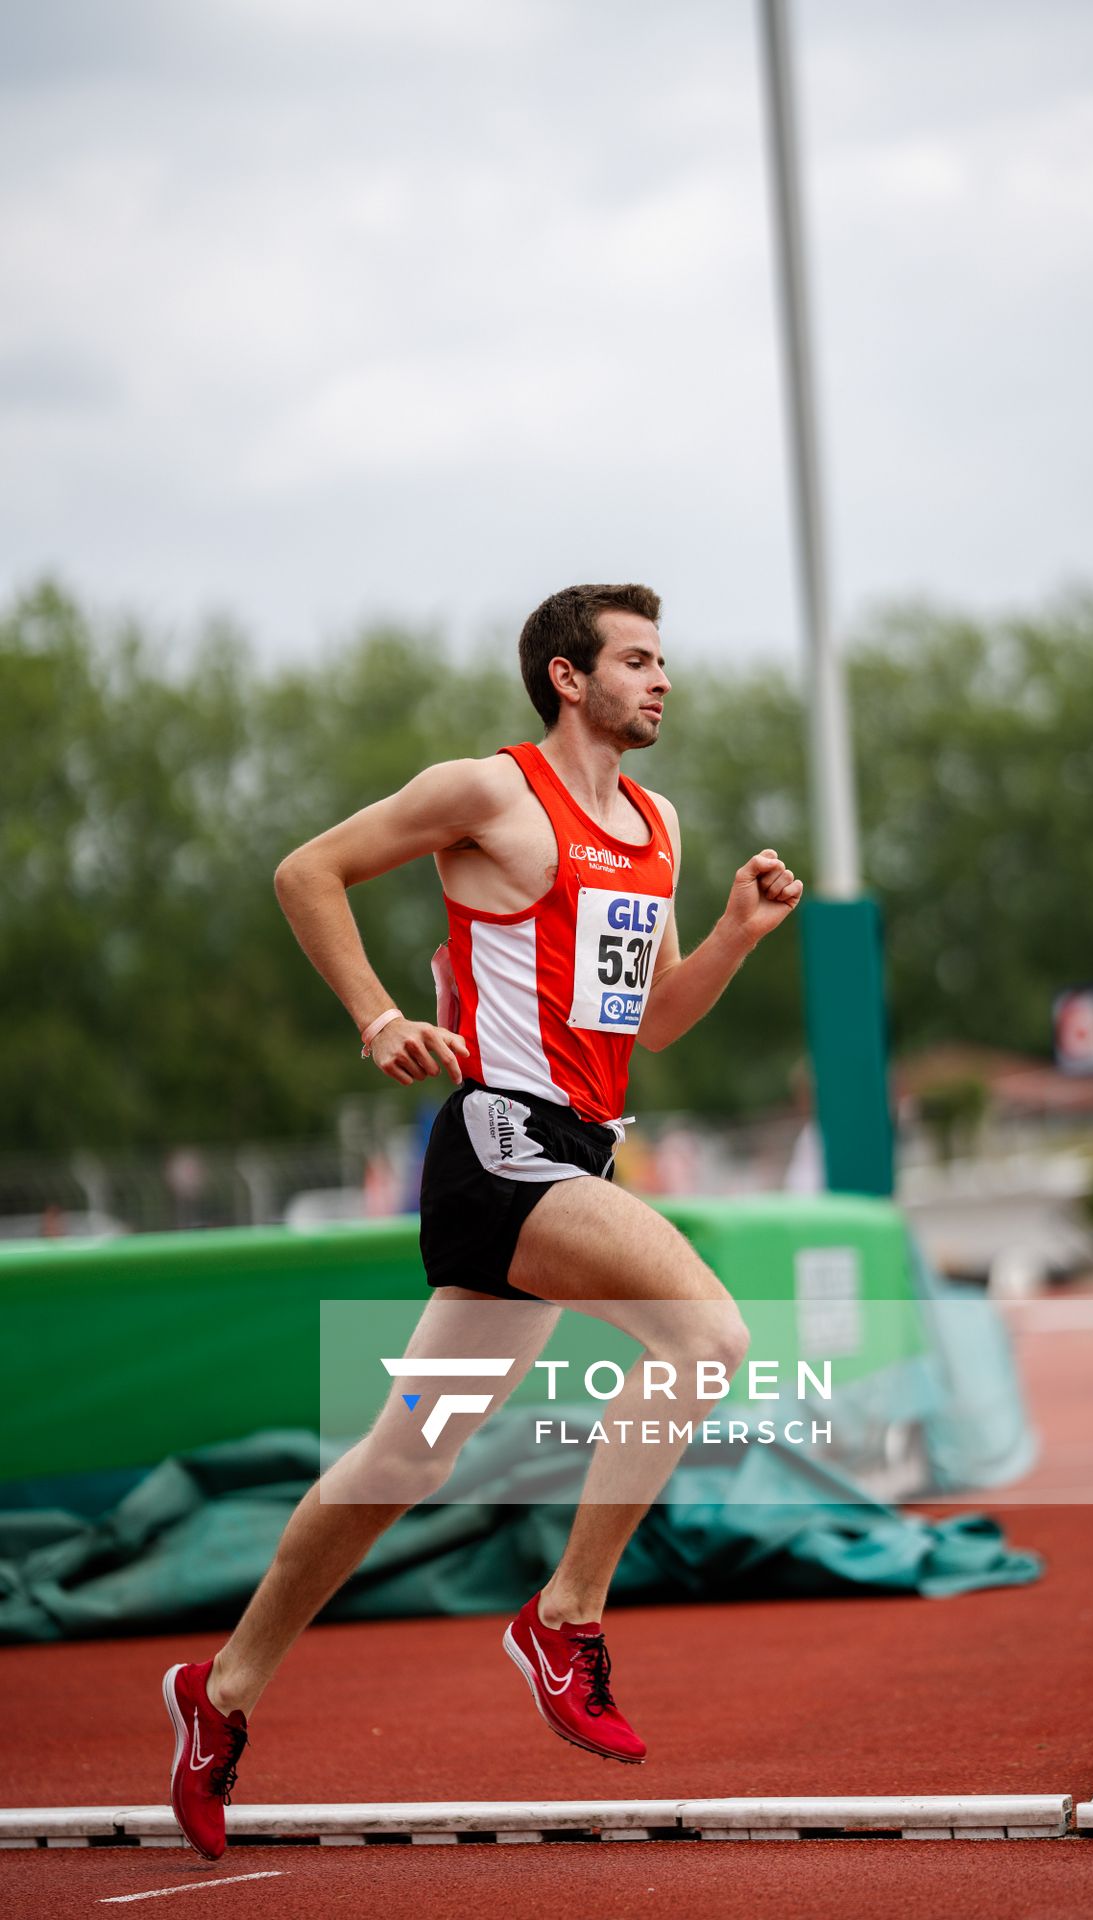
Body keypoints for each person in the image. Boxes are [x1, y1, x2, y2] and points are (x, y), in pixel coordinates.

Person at [162, 583, 803, 1859]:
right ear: (568, 679)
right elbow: (308, 872)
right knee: (706, 1339)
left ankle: (217, 1692)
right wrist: (378, 1016)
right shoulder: (491, 792)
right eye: (635, 660)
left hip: (576, 1156)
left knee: (408, 1458)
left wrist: (731, 934)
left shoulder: (659, 823)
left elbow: (647, 1022)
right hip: (500, 1149)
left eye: (664, 660)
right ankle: (563, 1617)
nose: (661, 680)